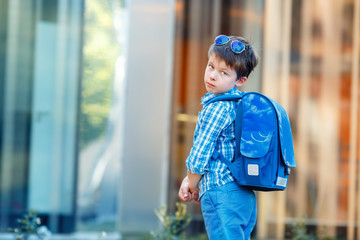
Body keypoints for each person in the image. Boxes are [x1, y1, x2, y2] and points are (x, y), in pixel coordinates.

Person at [178, 35, 259, 240]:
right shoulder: (238, 105)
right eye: (211, 66)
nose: (213, 75)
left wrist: (191, 182)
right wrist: (192, 181)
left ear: (240, 81)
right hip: (244, 196)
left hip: (222, 194)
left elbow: (200, 155)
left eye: (224, 72)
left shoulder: (217, 108)